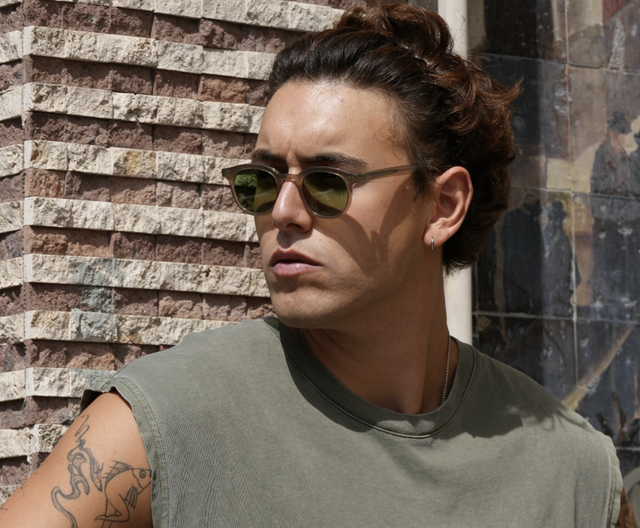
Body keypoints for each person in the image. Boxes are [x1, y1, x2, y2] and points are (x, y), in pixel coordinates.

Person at [1, 4, 635, 527]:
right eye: (262, 180)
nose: (283, 211)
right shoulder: (165, 422)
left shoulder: (575, 475)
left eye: (329, 182)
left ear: (443, 205)